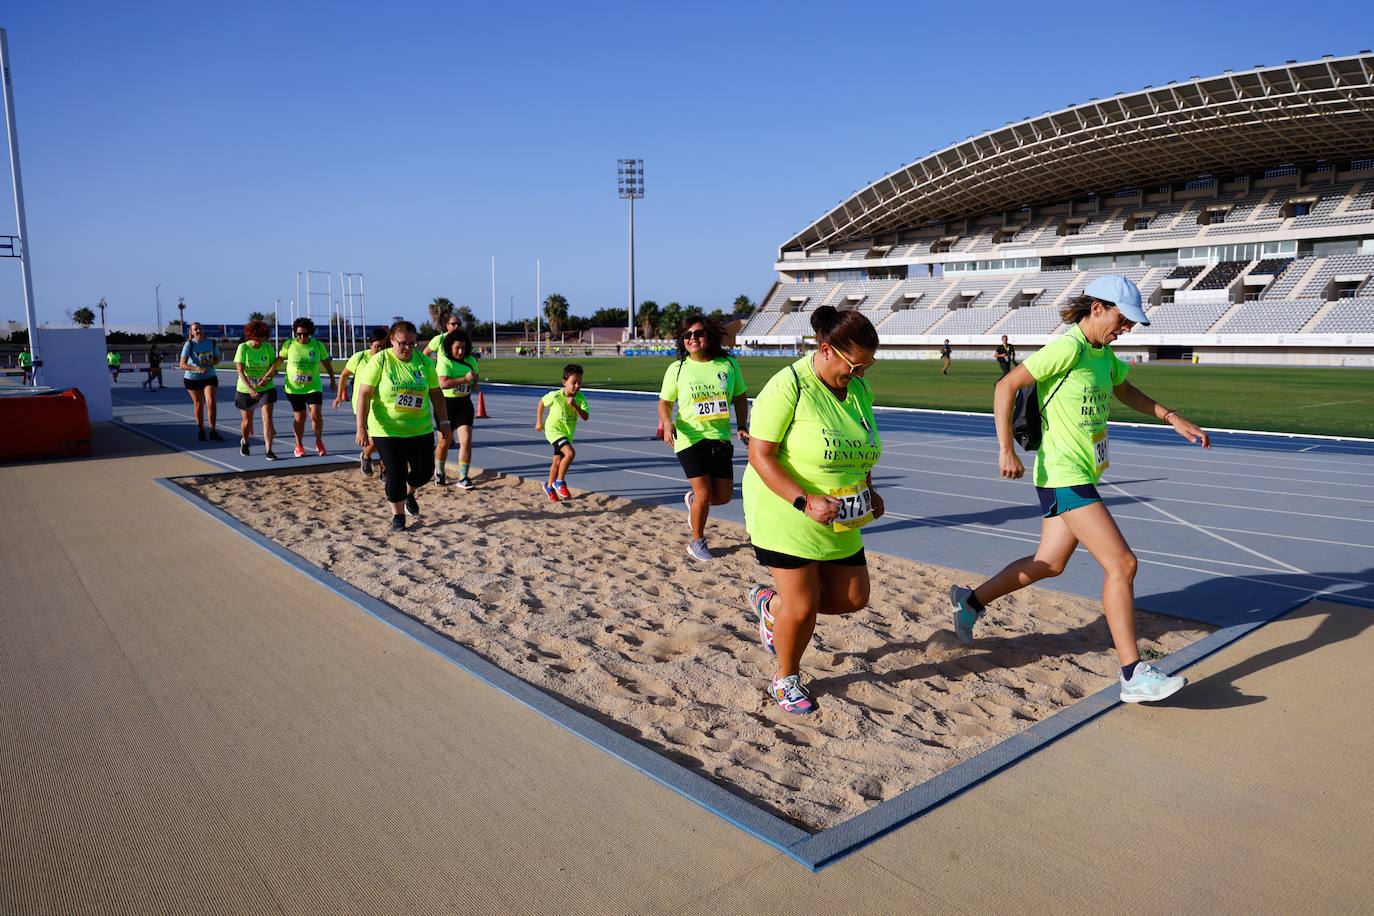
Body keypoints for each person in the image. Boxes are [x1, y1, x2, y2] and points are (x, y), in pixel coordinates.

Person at [949, 275, 1210, 704]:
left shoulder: (1103, 354)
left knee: (1049, 563)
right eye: (1123, 320)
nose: (1126, 329)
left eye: (1130, 324)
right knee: (1122, 564)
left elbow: (1124, 388)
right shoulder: (1067, 347)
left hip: (1082, 472)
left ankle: (970, 601)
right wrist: (1005, 449)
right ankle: (1133, 673)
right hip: (1062, 472)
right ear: (1098, 308)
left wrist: (1171, 416)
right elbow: (1006, 385)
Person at [743, 306, 884, 715]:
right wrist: (804, 501)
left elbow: (862, 446)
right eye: (855, 366)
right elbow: (760, 454)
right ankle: (785, 678)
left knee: (853, 598)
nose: (860, 375)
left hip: (840, 513)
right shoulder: (788, 386)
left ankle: (771, 606)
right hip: (785, 509)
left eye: (867, 367)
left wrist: (869, 489)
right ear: (826, 350)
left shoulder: (858, 391)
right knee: (803, 607)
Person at [657, 313, 749, 562]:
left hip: (719, 437)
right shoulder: (677, 369)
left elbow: (740, 398)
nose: (692, 338)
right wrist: (667, 423)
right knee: (705, 493)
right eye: (687, 335)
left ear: (709, 335)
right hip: (689, 437)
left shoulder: (728, 365)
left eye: (698, 333)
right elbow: (665, 402)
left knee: (724, 496)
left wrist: (742, 425)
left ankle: (693, 501)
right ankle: (697, 541)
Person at [354, 321, 449, 531]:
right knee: (395, 472)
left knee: (425, 471)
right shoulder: (380, 361)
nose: (407, 348)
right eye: (402, 344)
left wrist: (443, 422)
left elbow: (435, 393)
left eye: (412, 344)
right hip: (387, 429)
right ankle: (397, 516)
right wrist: (361, 426)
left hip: (420, 429)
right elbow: (364, 393)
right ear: (392, 341)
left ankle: (408, 493)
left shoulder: (424, 362)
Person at [335, 327, 390, 476]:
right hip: (363, 405)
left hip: (383, 405)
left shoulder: (388, 358)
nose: (380, 349)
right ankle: (366, 456)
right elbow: (344, 375)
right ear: (370, 344)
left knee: (386, 437)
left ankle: (385, 470)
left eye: (383, 346)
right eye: (377, 346)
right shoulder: (359, 358)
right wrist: (339, 394)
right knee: (375, 439)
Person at [278, 317, 335, 458]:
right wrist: (268, 373)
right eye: (299, 334)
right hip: (294, 389)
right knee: (300, 418)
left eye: (305, 334)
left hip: (313, 386)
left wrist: (333, 379)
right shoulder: (289, 344)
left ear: (310, 333)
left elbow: (326, 362)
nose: (302, 337)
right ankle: (298, 445)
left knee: (316, 415)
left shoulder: (317, 345)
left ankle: (319, 442)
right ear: (295, 334)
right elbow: (278, 360)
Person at [534, 364, 589, 502]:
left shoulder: (580, 397)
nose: (577, 386)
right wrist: (539, 422)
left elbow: (585, 417)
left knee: (557, 462)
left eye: (579, 383)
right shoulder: (555, 396)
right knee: (570, 453)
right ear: (564, 382)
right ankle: (559, 482)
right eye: (573, 382)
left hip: (566, 433)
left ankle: (549, 486)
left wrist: (575, 405)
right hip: (553, 431)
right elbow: (541, 403)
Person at [434, 328, 480, 489]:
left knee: (466, 441)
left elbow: (475, 378)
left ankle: (463, 477)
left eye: (463, 347)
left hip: (464, 404)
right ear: (449, 347)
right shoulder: (445, 361)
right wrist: (464, 379)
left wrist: (474, 383)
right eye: (457, 348)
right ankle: (439, 472)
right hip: (445, 405)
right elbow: (443, 383)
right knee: (444, 443)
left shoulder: (471, 360)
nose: (461, 351)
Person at [233, 320, 280, 460]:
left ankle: (269, 449)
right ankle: (245, 441)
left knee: (267, 418)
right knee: (247, 422)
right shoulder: (243, 348)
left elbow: (274, 370)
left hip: (266, 388)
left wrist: (269, 377)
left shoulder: (268, 348)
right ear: (250, 335)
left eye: (262, 337)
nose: (258, 341)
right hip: (246, 389)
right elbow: (240, 372)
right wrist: (251, 388)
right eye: (256, 337)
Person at [178, 322, 223, 441]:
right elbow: (182, 364)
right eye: (195, 329)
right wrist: (197, 368)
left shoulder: (211, 342)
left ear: (203, 330)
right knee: (198, 404)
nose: (198, 331)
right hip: (193, 378)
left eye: (200, 329)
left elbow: (217, 359)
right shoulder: (189, 345)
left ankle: (213, 430)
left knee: (211, 402)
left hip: (209, 376)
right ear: (191, 332)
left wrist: (211, 362)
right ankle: (201, 429)